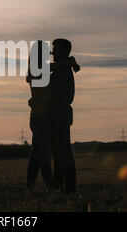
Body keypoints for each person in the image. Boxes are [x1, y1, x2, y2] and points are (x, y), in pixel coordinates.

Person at [49, 38, 79, 193]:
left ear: (62, 50)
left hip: (59, 114)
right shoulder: (64, 67)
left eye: (55, 49)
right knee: (61, 152)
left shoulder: (62, 70)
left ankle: (66, 186)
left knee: (62, 153)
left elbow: (56, 94)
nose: (52, 52)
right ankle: (64, 186)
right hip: (61, 114)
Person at [26, 40, 53, 190]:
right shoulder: (39, 70)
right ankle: (50, 185)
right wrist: (71, 62)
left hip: (37, 116)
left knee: (36, 154)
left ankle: (30, 184)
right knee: (44, 154)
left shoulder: (34, 70)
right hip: (41, 117)